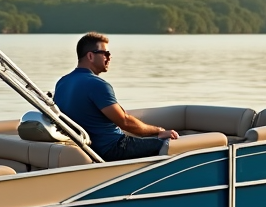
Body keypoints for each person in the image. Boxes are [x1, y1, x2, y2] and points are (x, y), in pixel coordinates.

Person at [54, 32, 178, 161]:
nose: (109, 57)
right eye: (105, 53)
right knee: (174, 144)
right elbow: (124, 122)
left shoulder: (62, 82)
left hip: (90, 148)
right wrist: (158, 131)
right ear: (90, 56)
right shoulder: (97, 85)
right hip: (112, 148)